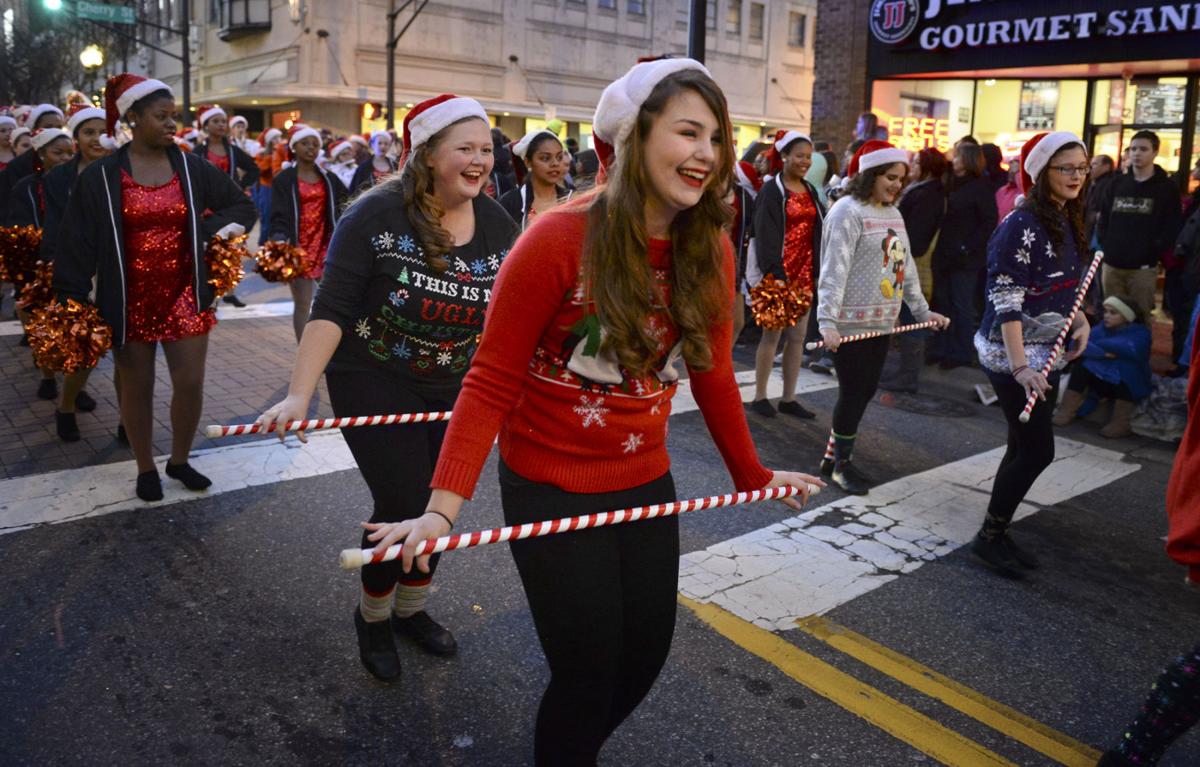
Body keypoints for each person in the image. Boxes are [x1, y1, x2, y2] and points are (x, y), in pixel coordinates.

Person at [358, 59, 821, 763]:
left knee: (642, 661)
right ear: (633, 137)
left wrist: (750, 473)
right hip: (547, 482)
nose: (705, 152)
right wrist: (439, 510)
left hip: (644, 481)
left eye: (716, 137)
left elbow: (713, 372)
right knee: (586, 673)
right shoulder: (555, 239)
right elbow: (488, 380)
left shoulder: (711, 248)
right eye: (687, 132)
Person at [256, 94, 517, 684]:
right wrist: (300, 394)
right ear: (427, 155)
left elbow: (512, 318)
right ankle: (373, 616)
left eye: (486, 150)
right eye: (465, 149)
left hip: (454, 381)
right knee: (401, 504)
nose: (481, 161)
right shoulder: (374, 215)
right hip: (371, 376)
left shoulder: (499, 223)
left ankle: (411, 610)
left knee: (437, 509)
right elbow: (331, 310)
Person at [52, 74, 256, 501]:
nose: (171, 125)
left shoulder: (190, 165)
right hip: (127, 298)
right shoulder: (102, 177)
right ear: (133, 117)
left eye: (174, 117)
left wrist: (203, 233)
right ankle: (145, 467)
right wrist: (71, 300)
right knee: (136, 386)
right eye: (162, 117)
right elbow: (77, 241)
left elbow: (242, 205)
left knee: (190, 384)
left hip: (185, 293)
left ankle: (179, 460)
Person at [972, 131, 1091, 578]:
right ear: (1041, 173)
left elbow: (1064, 285)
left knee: (1021, 446)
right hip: (1014, 355)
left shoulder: (1066, 214)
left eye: (1082, 167)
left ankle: (996, 531)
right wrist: (1021, 366)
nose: (1077, 175)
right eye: (1066, 168)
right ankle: (988, 537)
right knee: (1038, 450)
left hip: (1048, 350)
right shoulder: (1021, 224)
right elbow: (1007, 299)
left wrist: (1079, 320)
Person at [816, 140, 948, 495]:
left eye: (901, 179)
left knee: (864, 391)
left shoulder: (892, 213)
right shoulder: (847, 210)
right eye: (890, 177)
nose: (896, 185)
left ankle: (833, 459)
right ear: (870, 174)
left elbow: (902, 269)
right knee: (855, 392)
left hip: (882, 321)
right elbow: (833, 270)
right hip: (849, 324)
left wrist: (923, 311)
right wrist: (827, 321)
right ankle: (840, 465)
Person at [35, 105, 113, 441]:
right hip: (76, 268)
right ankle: (66, 405)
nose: (96, 139)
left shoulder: (123, 170)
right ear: (77, 138)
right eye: (88, 132)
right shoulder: (59, 178)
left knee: (127, 349)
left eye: (102, 131)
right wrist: (53, 264)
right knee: (84, 345)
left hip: (118, 268)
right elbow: (55, 225)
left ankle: (129, 422)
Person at [749, 130, 824, 419]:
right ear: (784, 157)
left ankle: (789, 398)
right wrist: (775, 272)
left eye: (809, 156)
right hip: (778, 275)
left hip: (804, 275)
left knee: (797, 338)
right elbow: (764, 234)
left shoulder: (810, 189)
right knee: (772, 337)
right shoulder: (772, 191)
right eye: (799, 156)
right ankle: (759, 396)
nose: (805, 161)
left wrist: (817, 268)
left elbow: (817, 230)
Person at [6, 127, 77, 402]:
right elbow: (18, 226)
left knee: (76, 329)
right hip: (37, 267)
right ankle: (48, 377)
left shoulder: (79, 181)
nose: (64, 158)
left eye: (68, 153)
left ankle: (76, 385)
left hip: (73, 265)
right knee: (42, 327)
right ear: (41, 153)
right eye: (57, 153)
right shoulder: (26, 186)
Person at [268, 126, 348, 341]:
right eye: (305, 143)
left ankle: (330, 347)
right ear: (294, 147)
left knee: (332, 299)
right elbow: (277, 213)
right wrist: (278, 237)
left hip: (326, 245)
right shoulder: (284, 179)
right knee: (303, 303)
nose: (311, 148)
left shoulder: (329, 178)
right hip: (298, 247)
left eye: (315, 144)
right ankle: (305, 352)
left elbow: (346, 204)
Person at [928, 141, 998, 369]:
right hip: (945, 253)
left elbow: (988, 222)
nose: (953, 160)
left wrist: (967, 247)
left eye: (957, 157)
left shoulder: (980, 187)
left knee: (961, 305)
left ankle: (961, 352)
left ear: (967, 160)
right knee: (942, 302)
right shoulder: (950, 183)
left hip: (965, 258)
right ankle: (940, 347)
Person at [1098, 130, 1183, 317]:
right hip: (1112, 264)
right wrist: (1107, 244)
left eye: (1143, 149)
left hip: (1143, 268)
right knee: (1110, 317)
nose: (1137, 153)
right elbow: (1103, 218)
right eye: (1133, 149)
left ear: (1155, 152)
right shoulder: (1116, 184)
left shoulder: (1167, 188)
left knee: (1140, 317)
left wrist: (1154, 250)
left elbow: (1172, 225)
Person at [886, 147, 948, 393]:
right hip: (910, 261)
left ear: (928, 167)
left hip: (914, 263)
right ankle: (904, 373)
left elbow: (917, 237)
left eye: (916, 163)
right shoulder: (927, 191)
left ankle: (908, 377)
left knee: (912, 320)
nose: (911, 168)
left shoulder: (927, 194)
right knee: (909, 318)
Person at [1052, 295, 1150, 438]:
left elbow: (1128, 348)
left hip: (1121, 382)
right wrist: (1104, 353)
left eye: (1113, 313)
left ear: (1127, 316)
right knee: (1082, 366)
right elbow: (1076, 345)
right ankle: (1066, 410)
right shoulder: (1102, 328)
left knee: (1128, 371)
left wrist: (1095, 348)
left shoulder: (1140, 333)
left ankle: (1121, 421)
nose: (1107, 316)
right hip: (1102, 379)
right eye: (1106, 311)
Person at [194, 105, 260, 309]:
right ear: (206, 125)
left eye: (223, 121)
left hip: (230, 207)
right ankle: (210, 291)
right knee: (209, 252)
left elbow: (253, 168)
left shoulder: (232, 150)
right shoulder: (199, 152)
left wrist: (240, 186)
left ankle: (230, 291)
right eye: (216, 121)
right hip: (207, 209)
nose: (221, 125)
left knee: (232, 249)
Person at [1163, 158, 1200, 369]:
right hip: (1184, 268)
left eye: (1198, 166)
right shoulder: (1193, 200)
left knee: (1190, 321)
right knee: (1184, 317)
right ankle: (1181, 362)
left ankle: (1184, 366)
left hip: (1191, 270)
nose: (1194, 170)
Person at [499, 129, 572, 229]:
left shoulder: (572, 199)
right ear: (527, 162)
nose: (555, 163)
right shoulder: (510, 202)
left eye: (559, 157)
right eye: (545, 158)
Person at [0, 104, 64, 215]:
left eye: (58, 127)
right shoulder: (16, 166)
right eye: (48, 127)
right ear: (34, 130)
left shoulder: (68, 162)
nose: (54, 132)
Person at [252, 128, 282, 247]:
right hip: (267, 189)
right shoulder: (262, 154)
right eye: (274, 138)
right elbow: (259, 170)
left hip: (279, 191)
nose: (277, 141)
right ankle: (262, 246)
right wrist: (271, 158)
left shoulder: (283, 153)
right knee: (266, 219)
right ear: (268, 141)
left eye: (278, 137)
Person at [349, 130, 397, 194]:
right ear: (372, 144)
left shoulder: (394, 165)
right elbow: (355, 190)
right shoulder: (364, 167)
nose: (383, 146)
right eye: (379, 143)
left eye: (386, 144)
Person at [1083, 154, 1115, 247]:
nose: (1091, 167)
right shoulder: (1095, 183)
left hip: (1096, 234)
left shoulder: (1108, 185)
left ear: (1106, 166)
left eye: (1095, 164)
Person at [995, 157, 1022, 222]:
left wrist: (1017, 174)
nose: (1011, 172)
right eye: (1010, 168)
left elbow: (1024, 191)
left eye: (1016, 170)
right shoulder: (1001, 191)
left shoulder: (1023, 191)